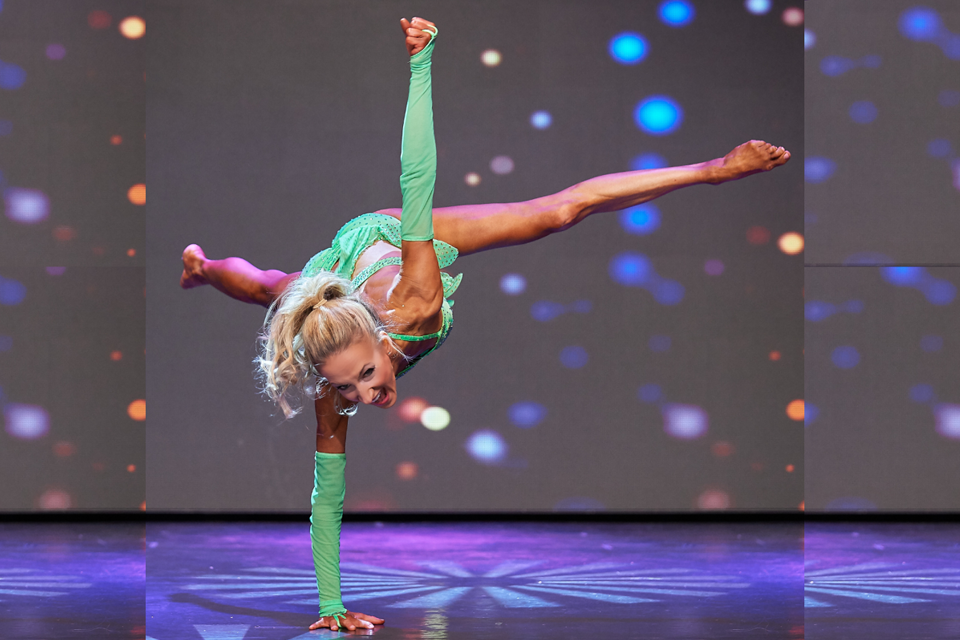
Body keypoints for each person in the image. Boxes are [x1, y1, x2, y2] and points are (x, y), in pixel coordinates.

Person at [179, 16, 791, 632]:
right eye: (348, 390)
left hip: (381, 236)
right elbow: (326, 501)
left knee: (557, 212)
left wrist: (420, 64)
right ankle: (201, 266)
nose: (369, 397)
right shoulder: (332, 381)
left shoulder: (416, 299)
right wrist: (332, 608)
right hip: (330, 285)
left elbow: (416, 177)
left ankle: (713, 167)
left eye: (364, 376)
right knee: (270, 289)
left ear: (373, 332)